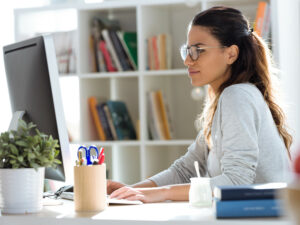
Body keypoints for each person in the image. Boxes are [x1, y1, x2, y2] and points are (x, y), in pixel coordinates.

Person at [107, 6, 292, 203]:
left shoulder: (237, 96)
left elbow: (237, 181)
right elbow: (184, 170)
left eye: (198, 51)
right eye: (187, 51)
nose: (188, 60)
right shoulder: (226, 100)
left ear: (231, 54)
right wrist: (127, 193)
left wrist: (162, 193)